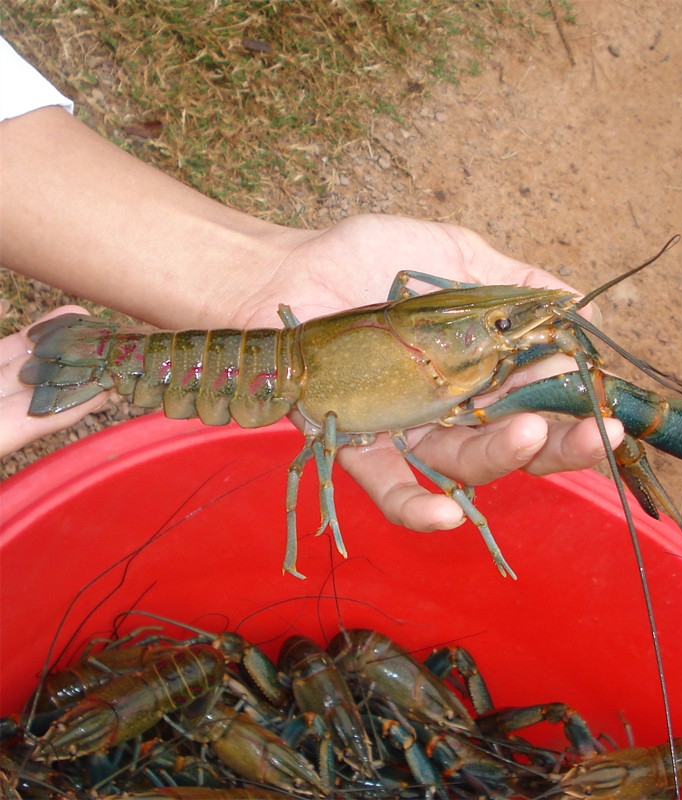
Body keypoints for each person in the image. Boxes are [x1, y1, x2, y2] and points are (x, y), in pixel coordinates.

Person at [0, 37, 623, 535]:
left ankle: (99, 354)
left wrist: (266, 266)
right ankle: (104, 355)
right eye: (501, 324)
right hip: (229, 368)